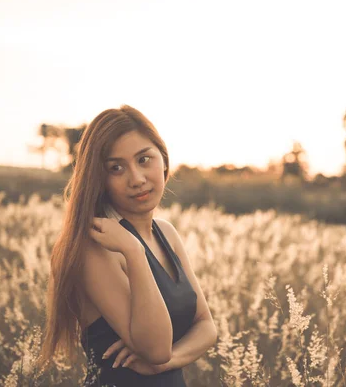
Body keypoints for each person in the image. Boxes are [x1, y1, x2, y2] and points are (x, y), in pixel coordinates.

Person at [36, 105, 217, 386]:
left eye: (144, 159)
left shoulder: (166, 233)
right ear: (99, 178)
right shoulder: (93, 249)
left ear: (164, 160)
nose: (137, 179)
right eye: (116, 168)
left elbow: (206, 327)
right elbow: (156, 349)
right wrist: (134, 252)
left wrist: (170, 361)